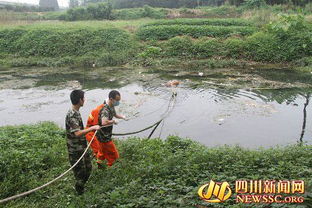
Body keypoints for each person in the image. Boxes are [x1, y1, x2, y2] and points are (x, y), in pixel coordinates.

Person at [65, 90, 100, 195]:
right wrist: (92, 128)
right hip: (75, 149)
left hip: (82, 147)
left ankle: (82, 187)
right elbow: (77, 133)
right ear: (80, 100)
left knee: (88, 168)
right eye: (83, 98)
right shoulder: (72, 114)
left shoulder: (76, 112)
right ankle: (79, 193)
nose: (84, 100)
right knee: (80, 173)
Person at [86, 90, 126, 168]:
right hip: (103, 135)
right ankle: (112, 166)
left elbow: (114, 114)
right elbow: (104, 122)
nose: (118, 102)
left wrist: (122, 117)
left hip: (104, 134)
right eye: (117, 100)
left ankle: (99, 163)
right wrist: (113, 121)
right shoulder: (104, 110)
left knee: (101, 150)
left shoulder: (111, 106)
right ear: (111, 99)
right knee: (113, 152)